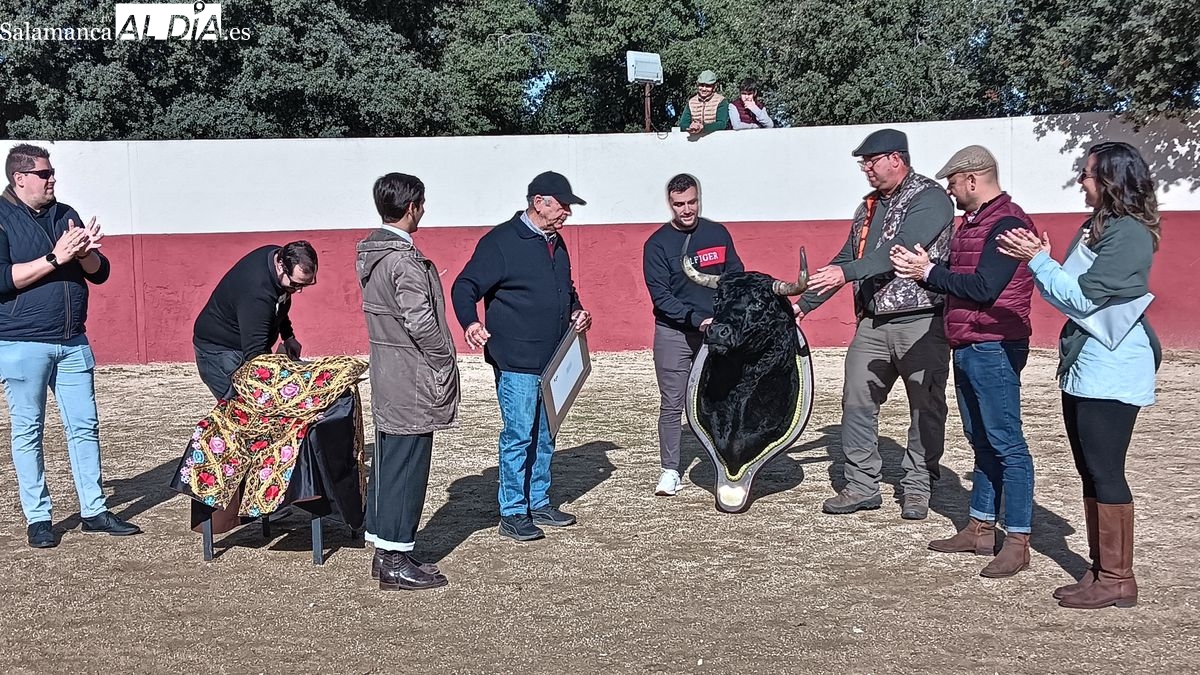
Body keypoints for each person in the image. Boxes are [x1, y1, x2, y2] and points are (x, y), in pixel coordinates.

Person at [997, 141, 1161, 609]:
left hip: (1112, 364)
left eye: (1086, 174)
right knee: (1090, 469)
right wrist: (1043, 263)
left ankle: (1118, 578)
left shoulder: (1129, 232)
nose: (1080, 182)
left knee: (1105, 469)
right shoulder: (1096, 227)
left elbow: (1083, 297)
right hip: (1087, 362)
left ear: (1111, 180)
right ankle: (1100, 569)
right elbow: (1064, 295)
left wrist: (1039, 260)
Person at [890, 145, 1038, 577]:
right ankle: (979, 527)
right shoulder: (978, 224)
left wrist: (928, 273)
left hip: (995, 343)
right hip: (973, 341)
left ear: (972, 179)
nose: (951, 192)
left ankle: (1018, 538)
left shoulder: (1007, 224)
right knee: (981, 439)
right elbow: (963, 277)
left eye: (953, 183)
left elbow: (984, 287)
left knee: (1007, 442)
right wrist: (927, 267)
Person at [795, 128, 954, 520]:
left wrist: (846, 273)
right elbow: (847, 258)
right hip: (873, 322)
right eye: (863, 163)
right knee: (856, 402)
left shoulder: (930, 198)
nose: (866, 168)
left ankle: (918, 486)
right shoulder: (867, 207)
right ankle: (862, 485)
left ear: (896, 159)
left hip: (922, 320)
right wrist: (803, 305)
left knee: (925, 406)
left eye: (871, 161)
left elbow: (897, 251)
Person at [0, 143, 141, 548]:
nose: (52, 180)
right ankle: (38, 518)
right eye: (44, 174)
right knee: (29, 430)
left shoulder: (66, 214)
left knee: (84, 426)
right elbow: (3, 280)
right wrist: (56, 257)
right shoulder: (2, 217)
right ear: (20, 178)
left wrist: (84, 254)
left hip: (73, 340)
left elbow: (99, 273)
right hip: (21, 342)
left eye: (52, 173)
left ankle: (94, 510)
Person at [451, 171, 592, 542]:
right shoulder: (500, 242)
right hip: (516, 360)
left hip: (554, 360)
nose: (567, 213)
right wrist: (470, 322)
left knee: (545, 434)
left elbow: (565, 289)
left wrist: (577, 310)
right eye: (562, 206)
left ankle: (538, 500)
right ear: (539, 202)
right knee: (519, 435)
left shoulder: (556, 243)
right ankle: (513, 511)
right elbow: (465, 286)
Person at [356, 172, 459, 591]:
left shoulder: (374, 253)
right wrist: (443, 359)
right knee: (407, 466)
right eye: (422, 204)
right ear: (412, 206)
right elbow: (420, 321)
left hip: (390, 370)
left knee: (391, 463)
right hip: (411, 375)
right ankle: (394, 559)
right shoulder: (402, 260)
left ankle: (388, 553)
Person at [643, 174, 744, 496]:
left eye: (691, 202)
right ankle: (670, 471)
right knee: (673, 403)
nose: (686, 210)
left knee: (722, 400)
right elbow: (661, 297)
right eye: (679, 204)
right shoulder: (657, 244)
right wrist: (698, 319)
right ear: (669, 204)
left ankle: (726, 466)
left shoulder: (717, 233)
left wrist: (727, 316)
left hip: (716, 334)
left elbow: (735, 276)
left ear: (698, 199)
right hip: (674, 332)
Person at [192, 240, 318, 400]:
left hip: (248, 345)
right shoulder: (257, 293)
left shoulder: (276, 256)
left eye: (306, 284)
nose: (298, 290)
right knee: (245, 407)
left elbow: (279, 301)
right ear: (281, 266)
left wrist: (288, 336)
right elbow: (255, 354)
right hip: (221, 353)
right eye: (295, 284)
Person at [678, 70, 730, 137]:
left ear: (714, 87)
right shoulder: (691, 102)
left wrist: (702, 128)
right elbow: (682, 124)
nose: (704, 89)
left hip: (716, 138)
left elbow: (722, 124)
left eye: (708, 86)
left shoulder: (721, 101)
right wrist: (691, 126)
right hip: (695, 139)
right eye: (701, 85)